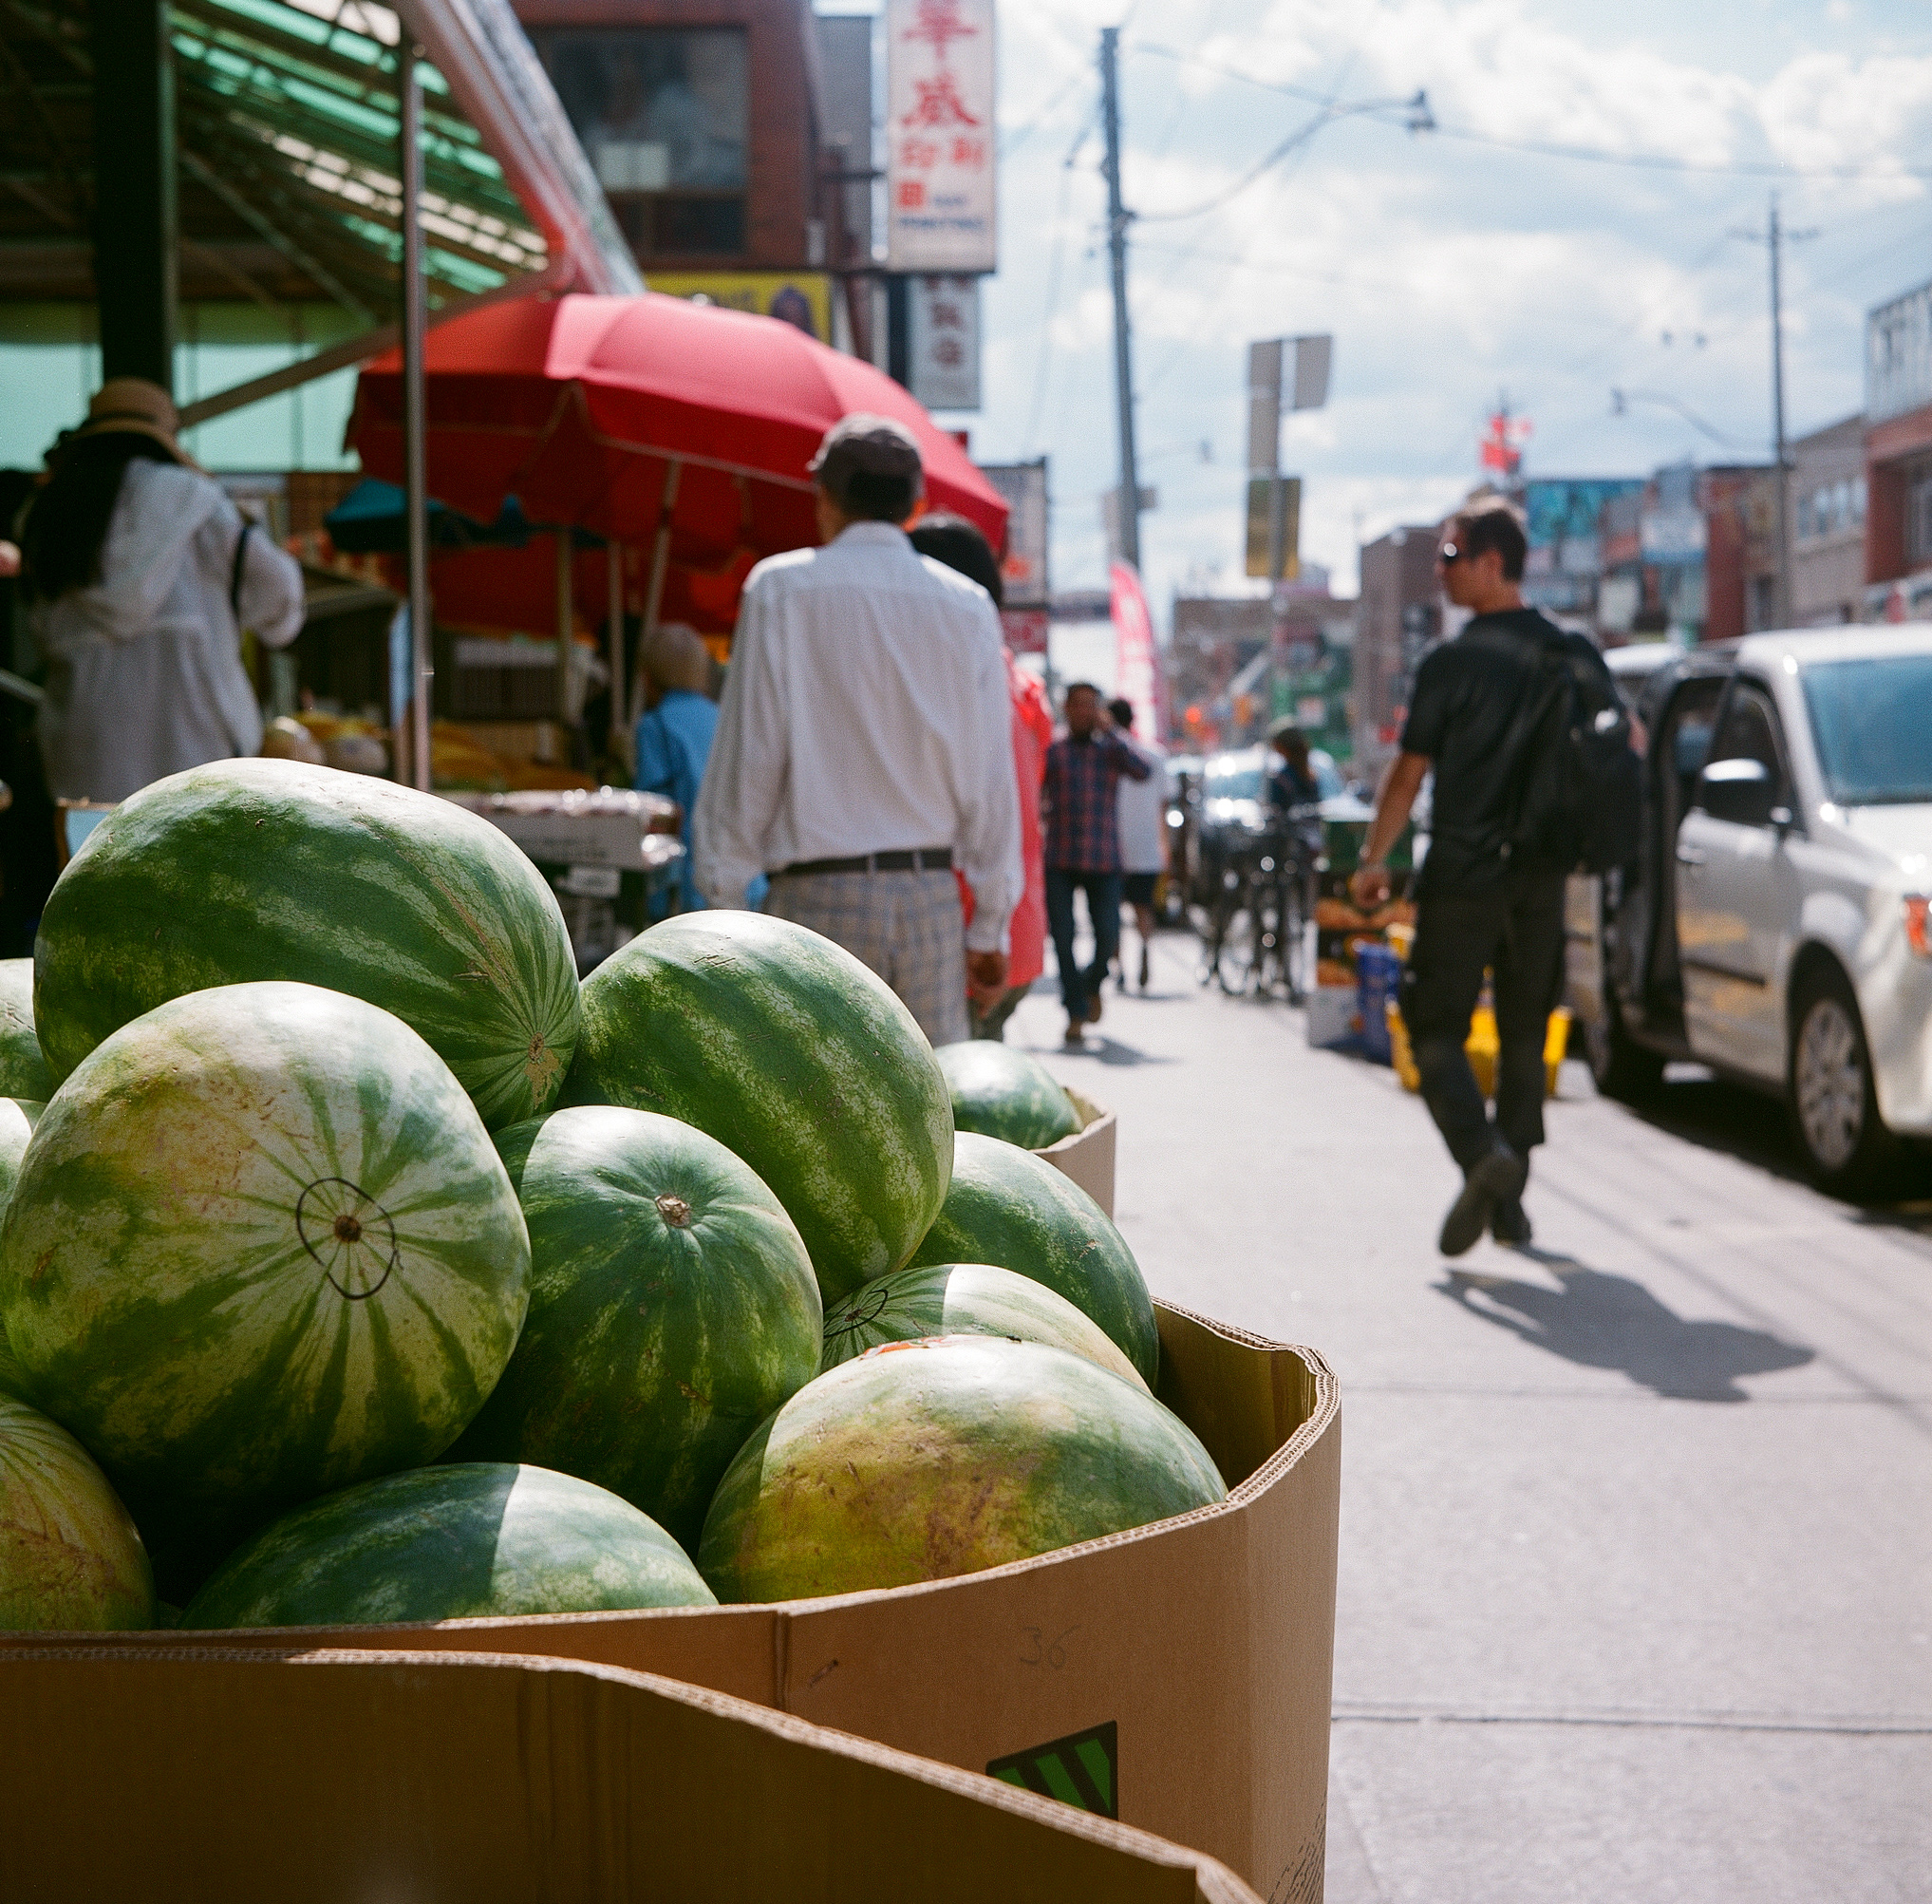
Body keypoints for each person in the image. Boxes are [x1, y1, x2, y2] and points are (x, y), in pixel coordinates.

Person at [693, 414, 1021, 1048]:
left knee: (816, 1120)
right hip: (929, 898)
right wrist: (989, 927)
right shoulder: (966, 605)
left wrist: (723, 899)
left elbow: (750, 758)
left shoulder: (780, 589)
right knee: (931, 1117)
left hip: (816, 904)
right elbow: (990, 778)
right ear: (913, 504)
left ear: (827, 499)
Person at [1350, 501, 1617, 1256]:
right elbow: (1617, 750)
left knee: (1433, 1023)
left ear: (1491, 561)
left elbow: (1406, 775)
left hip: (1463, 872)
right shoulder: (1572, 653)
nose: (1439, 569)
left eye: (1449, 553)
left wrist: (1375, 861)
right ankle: (1509, 1202)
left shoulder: (1452, 662)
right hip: (1541, 877)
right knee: (1526, 1033)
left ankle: (1480, 1156)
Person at [18, 379, 304, 803]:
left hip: (82, 755)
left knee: (97, 862)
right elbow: (279, 599)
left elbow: (36, 629)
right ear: (163, 439)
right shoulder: (199, 502)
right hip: (196, 749)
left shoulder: (47, 512)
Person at [907, 513, 1052, 1042]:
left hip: (972, 935)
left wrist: (982, 932)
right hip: (1016, 929)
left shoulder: (962, 683)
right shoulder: (1020, 687)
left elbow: (983, 816)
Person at [1042, 682, 1150, 1046]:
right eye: (1079, 705)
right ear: (1067, 708)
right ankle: (1074, 1010)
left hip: (1103, 859)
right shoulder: (1054, 751)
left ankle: (1090, 986)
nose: (1085, 711)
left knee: (1108, 935)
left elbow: (1143, 770)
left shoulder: (1111, 751)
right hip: (1060, 858)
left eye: (1092, 705)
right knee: (1063, 938)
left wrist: (1112, 731)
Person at [633, 620, 718, 914]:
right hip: (741, 881)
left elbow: (653, 814)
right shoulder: (723, 717)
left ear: (646, 677)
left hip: (687, 888)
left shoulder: (655, 726)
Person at [1108, 695, 1169, 993]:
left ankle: (1119, 967)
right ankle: (1144, 949)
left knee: (1113, 911)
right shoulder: (1155, 756)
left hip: (1112, 847)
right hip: (1147, 848)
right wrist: (1165, 847)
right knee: (1143, 907)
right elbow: (1164, 809)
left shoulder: (1106, 754)